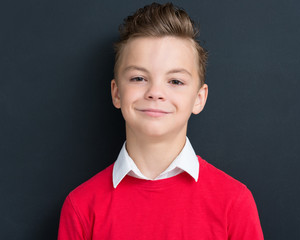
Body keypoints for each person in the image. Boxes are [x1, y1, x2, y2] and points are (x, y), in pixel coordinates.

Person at [57, 2, 264, 239]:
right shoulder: (81, 206)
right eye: (138, 78)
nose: (155, 92)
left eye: (175, 81)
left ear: (199, 98)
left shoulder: (234, 203)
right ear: (116, 93)